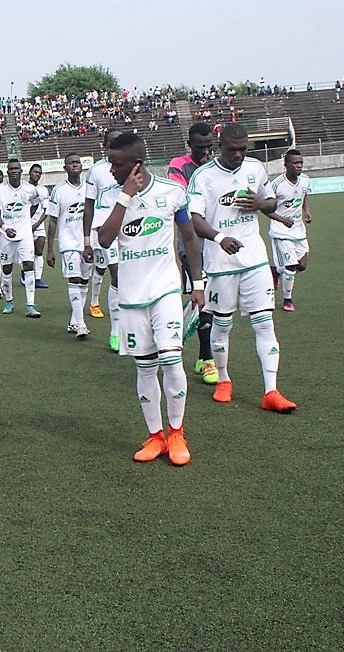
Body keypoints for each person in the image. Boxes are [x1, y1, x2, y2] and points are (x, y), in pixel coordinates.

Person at [97, 132, 204, 465]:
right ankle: (156, 437)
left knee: (171, 360)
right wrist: (125, 195)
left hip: (165, 290)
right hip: (131, 296)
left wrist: (198, 283)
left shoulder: (172, 192)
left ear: (136, 164)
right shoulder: (109, 196)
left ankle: (177, 433)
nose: (111, 169)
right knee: (145, 368)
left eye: (116, 164)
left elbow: (189, 239)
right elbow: (104, 239)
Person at [188, 123, 296, 413]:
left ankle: (271, 391)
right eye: (232, 149)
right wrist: (220, 238)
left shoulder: (255, 168)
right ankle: (224, 380)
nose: (238, 154)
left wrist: (260, 203)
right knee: (222, 324)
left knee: (264, 323)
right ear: (220, 146)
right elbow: (194, 218)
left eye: (243, 149)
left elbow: (271, 201)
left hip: (255, 260)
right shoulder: (203, 176)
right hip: (220, 263)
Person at [167, 122, 218, 384]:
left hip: (217, 241)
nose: (206, 152)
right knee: (202, 296)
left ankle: (203, 355)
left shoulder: (218, 166)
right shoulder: (178, 166)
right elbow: (183, 201)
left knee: (215, 300)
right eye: (200, 148)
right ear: (189, 145)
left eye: (210, 146)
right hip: (191, 243)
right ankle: (208, 359)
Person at [83, 129, 124, 352]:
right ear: (105, 145)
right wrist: (86, 240)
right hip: (105, 228)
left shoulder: (131, 166)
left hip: (130, 226)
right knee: (116, 273)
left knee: (124, 274)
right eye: (112, 142)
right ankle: (115, 331)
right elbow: (89, 206)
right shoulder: (96, 171)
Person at [46, 154, 91, 339]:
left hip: (87, 242)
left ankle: (74, 321)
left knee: (84, 281)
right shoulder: (59, 190)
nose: (75, 165)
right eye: (71, 163)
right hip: (68, 242)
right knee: (74, 278)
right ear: (65, 168)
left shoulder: (89, 188)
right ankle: (81, 325)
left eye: (77, 162)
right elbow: (53, 221)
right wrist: (50, 248)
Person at [0, 158, 41, 317]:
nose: (14, 171)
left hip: (25, 234)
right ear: (7, 172)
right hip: (6, 235)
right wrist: (5, 228)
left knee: (28, 265)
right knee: (6, 269)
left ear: (21, 171)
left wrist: (26, 221)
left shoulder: (30, 189)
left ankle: (31, 305)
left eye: (16, 168)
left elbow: (35, 204)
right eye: (11, 169)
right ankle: (9, 301)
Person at [267, 149, 312, 312]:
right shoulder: (276, 185)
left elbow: (303, 196)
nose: (299, 165)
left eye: (301, 162)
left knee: (302, 265)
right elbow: (266, 208)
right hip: (281, 231)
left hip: (298, 230)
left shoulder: (305, 180)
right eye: (295, 163)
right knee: (291, 265)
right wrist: (281, 219)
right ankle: (287, 300)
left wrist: (307, 211)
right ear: (286, 165)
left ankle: (275, 271)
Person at [27, 163, 50, 289]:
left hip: (38, 225)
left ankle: (38, 279)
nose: (37, 175)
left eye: (39, 173)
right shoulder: (23, 188)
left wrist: (36, 224)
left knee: (39, 252)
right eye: (35, 172)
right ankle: (25, 274)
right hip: (25, 226)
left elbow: (46, 210)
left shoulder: (43, 190)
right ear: (29, 173)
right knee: (27, 253)